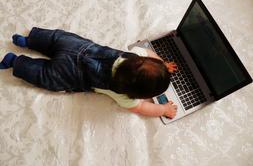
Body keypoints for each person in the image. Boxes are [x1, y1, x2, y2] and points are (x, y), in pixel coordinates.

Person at [0, 27, 178, 118]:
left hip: (77, 47)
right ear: (137, 94)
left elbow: (150, 55)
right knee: (45, 75)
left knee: (56, 39)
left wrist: (161, 64)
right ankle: (15, 62)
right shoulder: (126, 98)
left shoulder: (138, 54)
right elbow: (142, 108)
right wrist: (163, 109)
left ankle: (28, 40)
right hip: (71, 73)